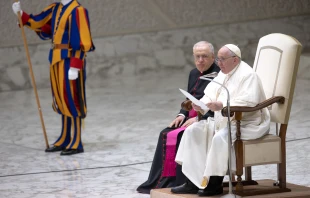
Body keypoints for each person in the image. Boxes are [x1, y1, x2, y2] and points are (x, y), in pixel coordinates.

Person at [171, 44, 270, 196]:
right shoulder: (224, 72)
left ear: (235, 60)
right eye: (218, 59)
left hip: (245, 122)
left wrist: (221, 105)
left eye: (222, 59)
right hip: (222, 120)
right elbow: (211, 93)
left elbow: (249, 102)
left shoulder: (248, 75)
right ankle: (192, 182)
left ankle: (214, 184)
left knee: (220, 138)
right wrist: (201, 105)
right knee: (192, 131)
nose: (219, 63)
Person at [12, 0, 95, 155]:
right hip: (56, 59)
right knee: (61, 99)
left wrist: (76, 65)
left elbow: (83, 41)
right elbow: (39, 23)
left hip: (70, 60)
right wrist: (21, 14)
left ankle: (76, 141)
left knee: (72, 99)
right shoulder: (55, 8)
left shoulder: (78, 10)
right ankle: (65, 137)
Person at [137, 41, 220, 194]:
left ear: (213, 57)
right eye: (197, 56)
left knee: (182, 136)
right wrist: (181, 114)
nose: (200, 60)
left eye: (204, 56)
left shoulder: (219, 75)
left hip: (208, 119)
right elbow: (190, 98)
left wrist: (199, 119)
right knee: (165, 133)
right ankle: (163, 180)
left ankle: (187, 181)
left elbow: (219, 104)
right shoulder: (193, 73)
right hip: (191, 116)